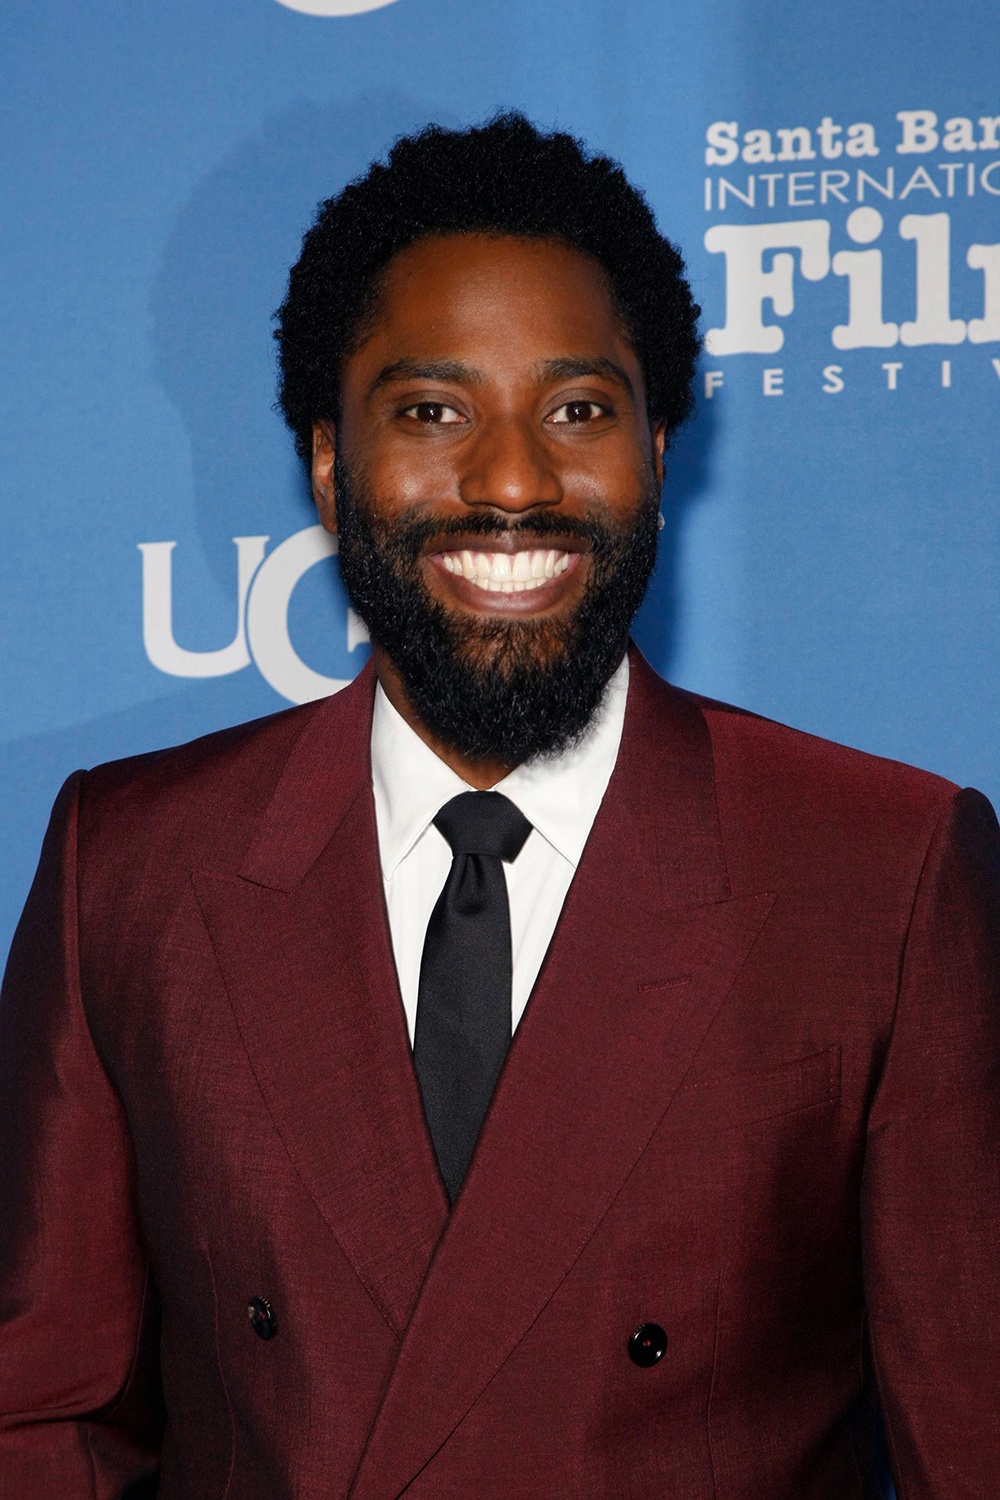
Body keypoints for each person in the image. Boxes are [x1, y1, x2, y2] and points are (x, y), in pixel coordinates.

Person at [0, 113, 997, 1500]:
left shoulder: (883, 869)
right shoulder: (134, 866)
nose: (515, 480)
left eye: (579, 410)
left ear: (659, 447)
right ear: (331, 464)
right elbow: (40, 1422)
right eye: (432, 411)